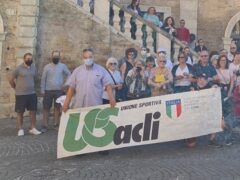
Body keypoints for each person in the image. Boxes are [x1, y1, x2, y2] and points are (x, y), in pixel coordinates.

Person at [192, 50, 221, 147]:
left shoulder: (211, 67)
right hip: (198, 94)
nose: (204, 57)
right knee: (197, 116)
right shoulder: (195, 66)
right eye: (203, 56)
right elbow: (191, 78)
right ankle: (193, 137)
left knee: (212, 115)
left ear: (208, 57)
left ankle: (212, 139)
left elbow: (217, 78)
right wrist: (199, 80)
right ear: (200, 57)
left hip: (209, 94)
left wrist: (209, 79)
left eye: (206, 56)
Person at [8, 53, 41, 136]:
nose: (29, 60)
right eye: (27, 58)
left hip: (32, 94)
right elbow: (11, 79)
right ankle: (20, 129)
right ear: (24, 59)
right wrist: (14, 87)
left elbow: (35, 78)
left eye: (30, 58)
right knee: (20, 112)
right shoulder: (18, 69)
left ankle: (32, 128)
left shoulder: (34, 68)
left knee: (33, 111)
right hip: (21, 94)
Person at [40, 50, 71, 132]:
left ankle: (55, 124)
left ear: (59, 57)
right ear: (52, 57)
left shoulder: (63, 66)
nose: (55, 58)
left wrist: (66, 85)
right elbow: (43, 79)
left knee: (57, 108)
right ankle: (45, 125)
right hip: (48, 90)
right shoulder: (47, 67)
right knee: (46, 108)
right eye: (54, 57)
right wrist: (42, 90)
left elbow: (69, 74)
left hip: (59, 90)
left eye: (57, 57)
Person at [216, 55, 234, 145]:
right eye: (221, 60)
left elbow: (232, 81)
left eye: (224, 60)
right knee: (220, 115)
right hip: (219, 92)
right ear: (218, 61)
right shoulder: (216, 71)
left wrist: (230, 92)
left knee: (228, 116)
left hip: (227, 93)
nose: (223, 62)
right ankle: (220, 138)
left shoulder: (229, 70)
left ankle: (228, 138)